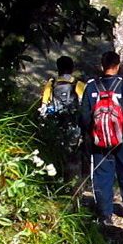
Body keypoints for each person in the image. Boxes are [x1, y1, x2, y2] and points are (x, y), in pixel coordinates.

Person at [80, 49, 123, 222]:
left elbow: (84, 115)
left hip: (98, 140)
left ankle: (105, 213)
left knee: (101, 175)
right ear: (117, 66)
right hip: (122, 137)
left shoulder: (92, 86)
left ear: (102, 66)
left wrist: (92, 132)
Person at [37, 54, 84, 184]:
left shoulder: (51, 84)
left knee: (58, 154)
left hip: (56, 124)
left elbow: (44, 105)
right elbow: (85, 104)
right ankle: (74, 181)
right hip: (74, 125)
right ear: (72, 68)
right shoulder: (78, 84)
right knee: (75, 154)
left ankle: (57, 180)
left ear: (58, 69)